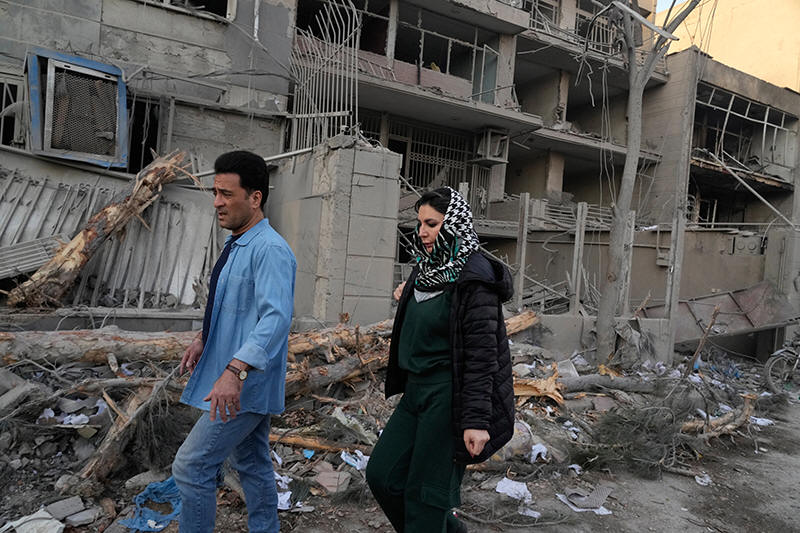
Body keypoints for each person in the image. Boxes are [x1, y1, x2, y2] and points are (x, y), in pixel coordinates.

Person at [366, 186, 515, 533]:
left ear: (454, 225)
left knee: (425, 497)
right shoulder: (427, 268)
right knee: (383, 475)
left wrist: (475, 421)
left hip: (448, 397)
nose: (422, 232)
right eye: (420, 224)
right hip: (415, 392)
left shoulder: (474, 279)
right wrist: (408, 294)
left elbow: (482, 356)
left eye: (431, 224)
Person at [172, 150, 296, 533]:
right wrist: (203, 338)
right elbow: (235, 308)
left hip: (243, 386)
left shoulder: (270, 250)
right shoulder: (237, 244)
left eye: (226, 194)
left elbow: (276, 319)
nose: (217, 203)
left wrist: (235, 371)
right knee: (252, 462)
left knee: (191, 465)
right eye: (215, 193)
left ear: (255, 197)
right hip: (235, 380)